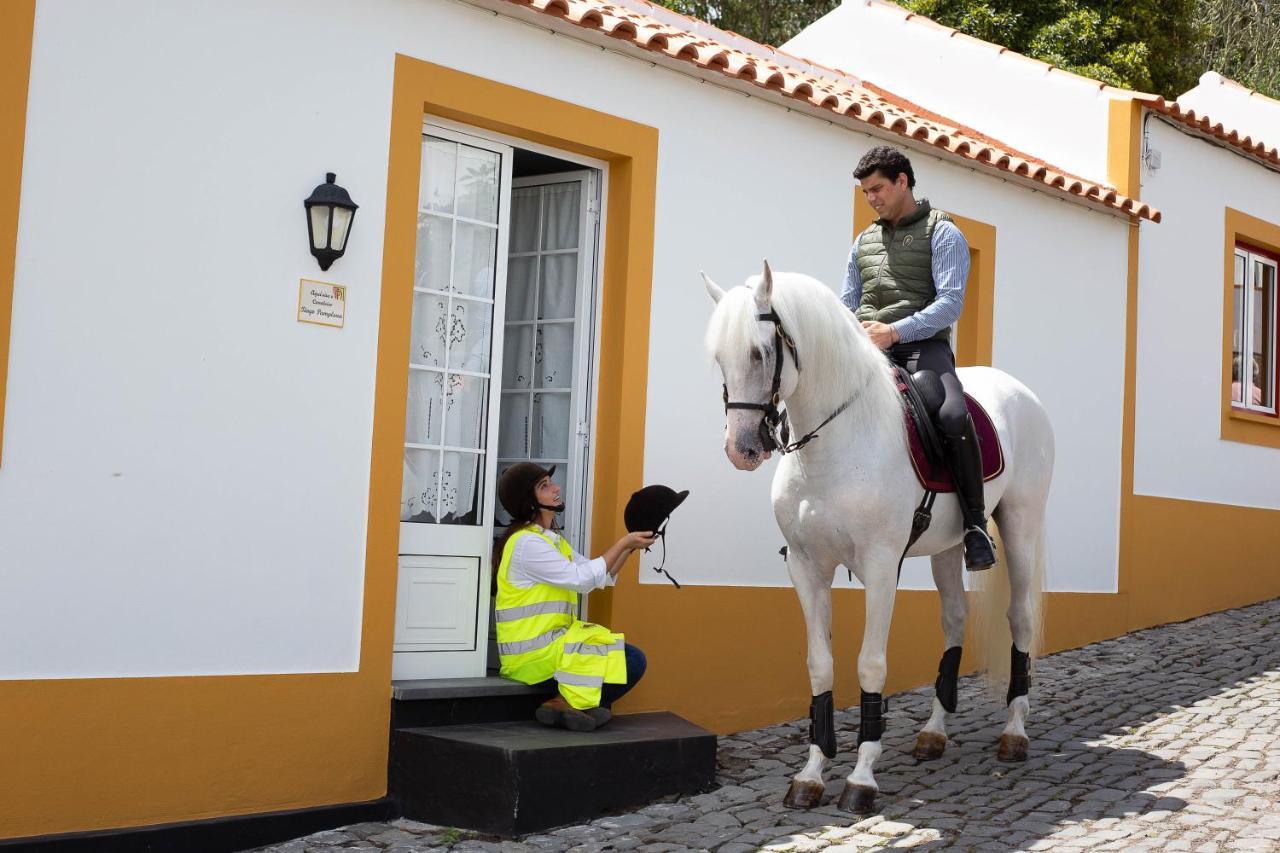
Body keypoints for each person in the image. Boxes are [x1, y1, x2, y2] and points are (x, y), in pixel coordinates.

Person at [844, 145, 996, 570]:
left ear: (903, 181)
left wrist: (894, 331)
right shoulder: (863, 242)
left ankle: (975, 526)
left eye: (877, 189)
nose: (871, 198)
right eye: (865, 193)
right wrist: (852, 334)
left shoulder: (943, 233)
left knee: (950, 414)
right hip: (866, 347)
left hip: (921, 347)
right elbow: (847, 301)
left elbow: (950, 303)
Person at [493, 462, 657, 731]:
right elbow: (582, 580)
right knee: (631, 660)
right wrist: (624, 543)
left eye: (551, 483)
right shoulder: (526, 543)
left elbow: (598, 576)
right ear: (529, 501)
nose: (556, 489)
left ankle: (570, 704)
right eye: (544, 486)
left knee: (628, 658)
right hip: (532, 659)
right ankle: (568, 703)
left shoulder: (550, 541)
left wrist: (631, 547)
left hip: (552, 649)